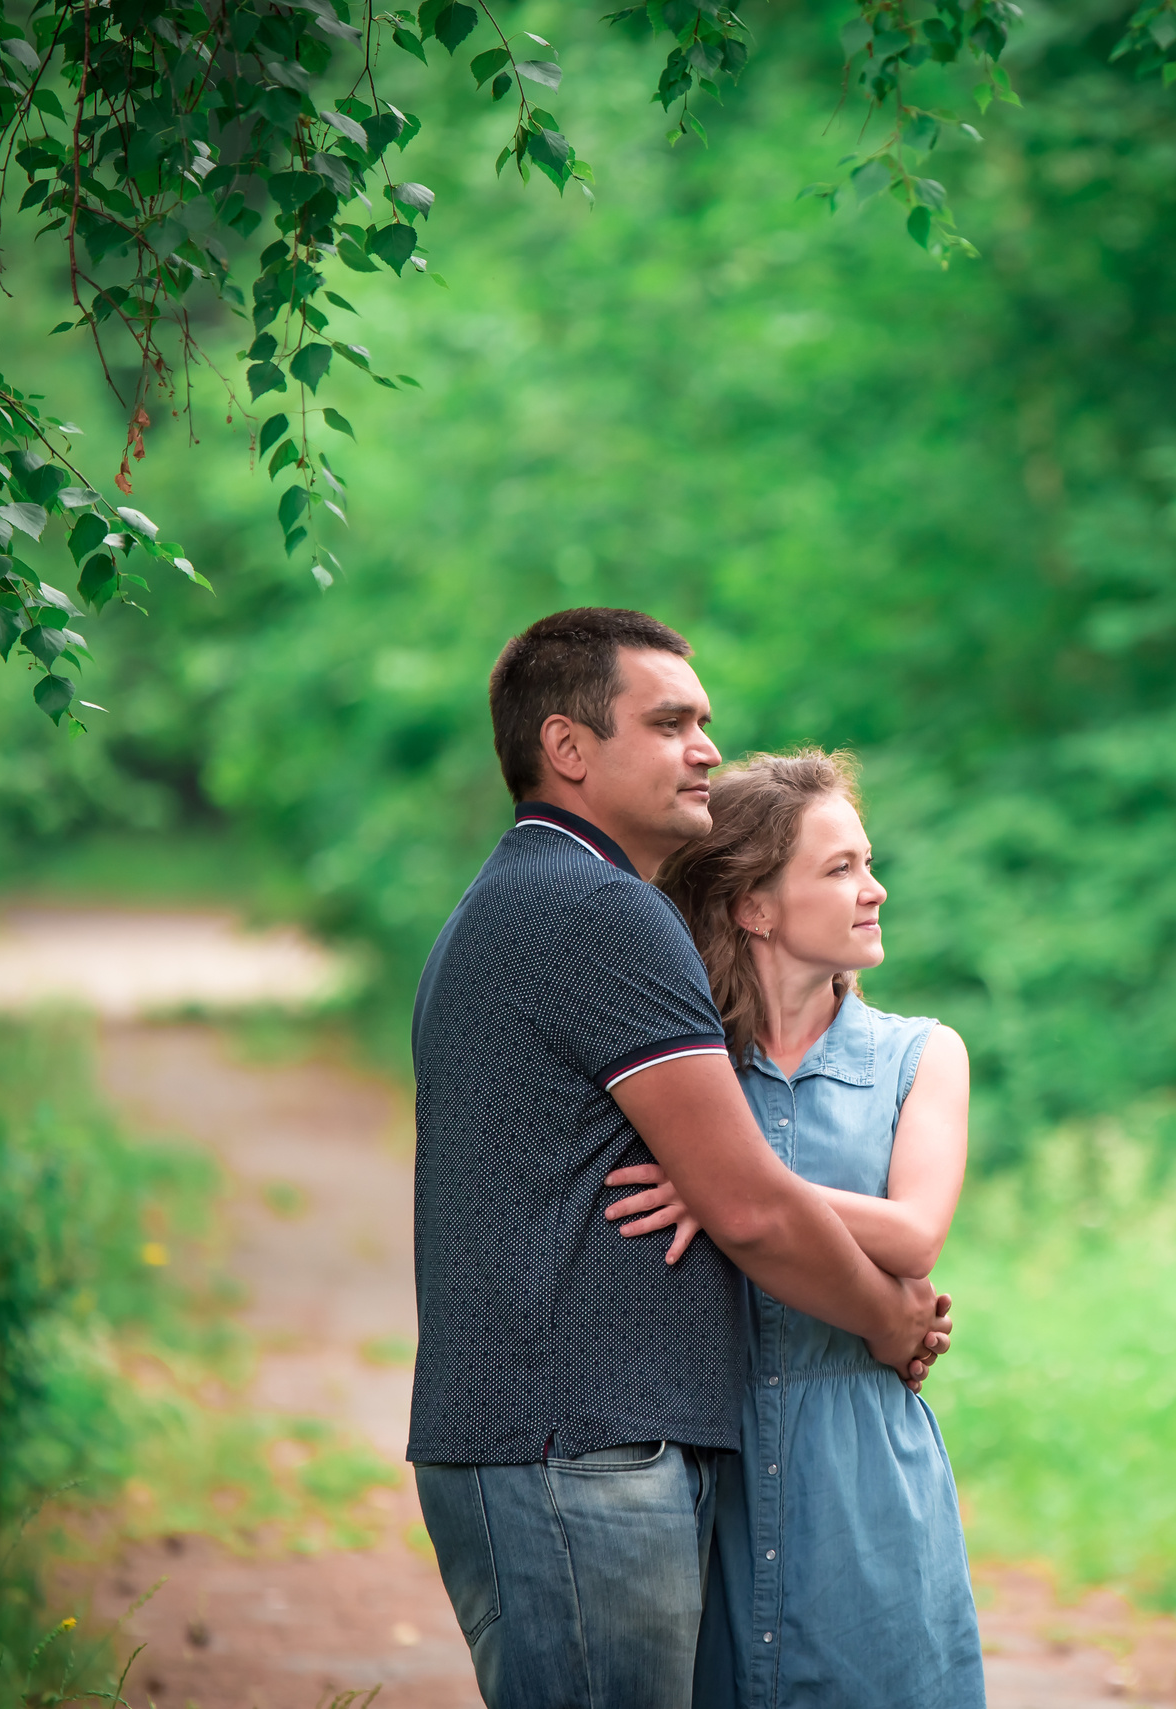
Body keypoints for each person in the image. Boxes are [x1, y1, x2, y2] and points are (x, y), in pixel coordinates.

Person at [407, 610, 953, 1709]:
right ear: (568, 748)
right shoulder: (603, 910)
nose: (706, 745)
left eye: (703, 720)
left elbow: (734, 1192)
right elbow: (747, 1205)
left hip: (550, 1444)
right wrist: (890, 1320)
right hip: (579, 1454)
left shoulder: (520, 900)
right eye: (669, 722)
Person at [607, 749, 986, 1709]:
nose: (875, 887)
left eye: (867, 860)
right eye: (841, 868)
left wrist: (736, 1185)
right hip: (701, 1465)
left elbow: (913, 1237)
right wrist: (724, 1182)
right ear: (755, 906)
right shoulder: (679, 1073)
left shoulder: (922, 1055)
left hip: (864, 1476)